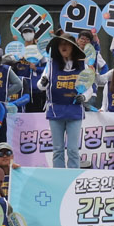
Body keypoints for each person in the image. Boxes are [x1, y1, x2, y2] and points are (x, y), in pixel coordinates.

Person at [39, 34, 88, 170]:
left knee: (72, 149)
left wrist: (84, 97)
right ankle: (59, 177)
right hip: (56, 111)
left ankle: (72, 177)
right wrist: (43, 82)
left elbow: (90, 87)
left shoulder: (82, 65)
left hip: (74, 112)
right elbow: (40, 86)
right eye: (60, 44)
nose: (64, 46)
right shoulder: (51, 65)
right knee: (58, 149)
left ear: (73, 47)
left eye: (67, 44)